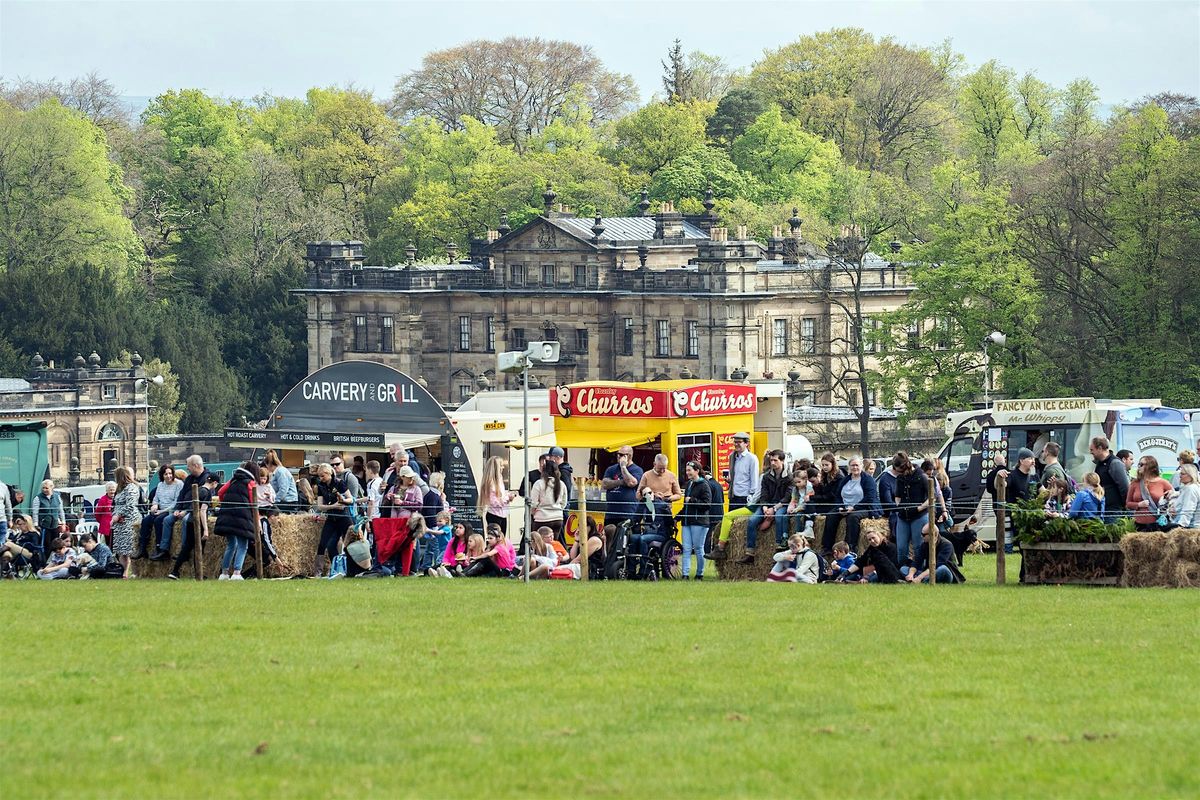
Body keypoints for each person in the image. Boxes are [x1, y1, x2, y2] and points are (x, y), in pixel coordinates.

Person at [630, 455, 682, 577]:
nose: (662, 471)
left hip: (663, 515)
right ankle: (631, 570)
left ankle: (644, 569)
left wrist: (666, 499)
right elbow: (638, 495)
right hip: (649, 514)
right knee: (633, 538)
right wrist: (651, 495)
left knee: (643, 539)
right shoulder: (646, 476)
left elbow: (678, 494)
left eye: (664, 468)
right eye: (660, 469)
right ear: (654, 464)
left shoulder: (671, 476)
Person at [736, 450, 791, 564]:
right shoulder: (766, 477)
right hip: (767, 504)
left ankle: (779, 549)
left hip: (781, 504)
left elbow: (787, 497)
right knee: (752, 521)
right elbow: (763, 494)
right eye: (771, 460)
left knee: (779, 517)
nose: (772, 463)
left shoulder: (789, 477)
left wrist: (774, 509)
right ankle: (750, 553)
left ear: (782, 461)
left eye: (775, 460)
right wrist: (765, 507)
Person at [820, 456, 881, 556]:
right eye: (852, 465)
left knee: (852, 517)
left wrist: (854, 508)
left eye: (857, 465)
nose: (855, 468)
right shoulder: (845, 480)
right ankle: (827, 547)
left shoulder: (868, 480)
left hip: (864, 507)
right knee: (831, 515)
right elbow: (838, 496)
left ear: (861, 466)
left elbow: (870, 498)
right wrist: (840, 506)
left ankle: (850, 547)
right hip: (846, 506)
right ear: (849, 467)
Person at [156, 456, 211, 561]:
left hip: (196, 510)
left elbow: (201, 500)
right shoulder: (189, 478)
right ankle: (164, 549)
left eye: (188, 466)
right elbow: (182, 495)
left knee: (186, 520)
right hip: (183, 508)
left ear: (195, 466)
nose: (187, 469)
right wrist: (177, 509)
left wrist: (186, 511)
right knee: (167, 520)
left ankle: (184, 551)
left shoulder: (206, 479)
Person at [169, 473, 218, 580]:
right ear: (214, 483)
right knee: (199, 549)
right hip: (199, 523)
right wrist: (205, 529)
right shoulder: (207, 493)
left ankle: (175, 571)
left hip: (190, 521)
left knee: (187, 547)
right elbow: (202, 511)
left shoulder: (198, 489)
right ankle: (198, 572)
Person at [213, 462, 259, 580]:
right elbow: (253, 503)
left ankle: (224, 573)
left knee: (231, 544)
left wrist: (229, 503)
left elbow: (220, 493)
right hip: (242, 517)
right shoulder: (250, 482)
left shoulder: (233, 480)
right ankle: (237, 573)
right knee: (243, 545)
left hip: (227, 515)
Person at [892, 452, 929, 568]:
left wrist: (919, 508)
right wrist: (899, 506)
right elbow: (897, 496)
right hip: (903, 516)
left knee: (919, 546)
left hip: (919, 515)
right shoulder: (900, 478)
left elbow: (931, 498)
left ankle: (919, 570)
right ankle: (903, 569)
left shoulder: (922, 477)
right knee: (901, 547)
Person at [313, 463, 352, 577]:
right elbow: (320, 506)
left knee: (349, 543)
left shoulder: (340, 483)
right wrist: (334, 506)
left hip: (343, 517)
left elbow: (350, 499)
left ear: (329, 473)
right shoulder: (321, 486)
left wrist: (343, 501)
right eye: (319, 476)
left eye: (322, 476)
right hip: (331, 518)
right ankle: (320, 571)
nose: (320, 478)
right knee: (324, 544)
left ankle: (351, 568)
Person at [678, 461, 712, 581]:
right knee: (686, 548)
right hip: (687, 521)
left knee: (698, 548)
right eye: (686, 470)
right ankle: (685, 574)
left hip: (700, 521)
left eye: (689, 470)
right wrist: (678, 517)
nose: (687, 473)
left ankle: (700, 573)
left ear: (697, 471)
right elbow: (686, 506)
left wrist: (692, 500)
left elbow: (707, 504)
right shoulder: (689, 484)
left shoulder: (704, 485)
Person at [1126, 455, 1174, 532]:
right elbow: (1128, 504)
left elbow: (1175, 499)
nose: (1139, 467)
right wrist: (1138, 505)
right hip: (1139, 524)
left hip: (1158, 524)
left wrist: (1170, 501)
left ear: (1151, 467)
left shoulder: (1163, 483)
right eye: (1139, 464)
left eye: (1141, 465)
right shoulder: (1135, 483)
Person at [1089, 436, 1130, 524]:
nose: (1090, 452)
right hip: (1103, 508)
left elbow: (1125, 487)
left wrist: (1125, 506)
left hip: (1113, 510)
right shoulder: (1099, 464)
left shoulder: (1115, 463)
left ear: (1100, 448)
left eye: (1092, 450)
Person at [109, 466, 141, 578]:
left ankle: (133, 572)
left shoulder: (131, 488)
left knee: (130, 548)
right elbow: (115, 505)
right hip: (119, 523)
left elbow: (131, 505)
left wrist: (119, 515)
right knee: (121, 549)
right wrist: (114, 516)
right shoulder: (120, 489)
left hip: (130, 521)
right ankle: (123, 572)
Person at [601, 446, 643, 529]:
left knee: (626, 539)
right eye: (618, 454)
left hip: (628, 513)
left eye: (621, 455)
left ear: (629, 456)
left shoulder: (637, 470)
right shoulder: (611, 469)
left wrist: (623, 467)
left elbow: (631, 483)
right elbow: (605, 484)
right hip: (611, 514)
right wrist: (621, 482)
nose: (618, 456)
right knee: (609, 537)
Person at [529, 461, 569, 539]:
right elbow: (564, 502)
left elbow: (533, 503)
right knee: (553, 543)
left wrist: (533, 513)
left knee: (539, 544)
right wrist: (558, 509)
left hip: (542, 517)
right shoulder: (561, 484)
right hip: (558, 517)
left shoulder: (539, 483)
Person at [478, 456, 517, 533]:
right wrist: (507, 498)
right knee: (494, 539)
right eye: (501, 466)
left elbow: (500, 496)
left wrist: (508, 495)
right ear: (495, 468)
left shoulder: (500, 479)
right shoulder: (490, 483)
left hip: (503, 514)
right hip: (494, 515)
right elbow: (495, 502)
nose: (503, 468)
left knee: (501, 540)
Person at [725, 433, 759, 511]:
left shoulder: (752, 458)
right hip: (733, 495)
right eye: (735, 442)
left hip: (745, 497)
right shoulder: (732, 456)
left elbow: (754, 479)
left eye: (739, 442)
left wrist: (752, 496)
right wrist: (729, 480)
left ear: (746, 443)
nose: (736, 444)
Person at [31, 479, 66, 554]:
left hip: (55, 525)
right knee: (46, 545)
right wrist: (36, 524)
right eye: (43, 488)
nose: (44, 490)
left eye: (46, 488)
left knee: (56, 544)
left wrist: (63, 522)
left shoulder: (57, 497)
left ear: (52, 487)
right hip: (44, 526)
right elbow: (35, 512)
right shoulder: (37, 498)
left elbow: (61, 511)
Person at [1166, 464, 1198, 530]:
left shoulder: (1190, 489)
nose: (1180, 476)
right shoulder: (1187, 488)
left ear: (1190, 475)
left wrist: (1179, 528)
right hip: (1185, 525)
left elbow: (1188, 511)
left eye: (1182, 474)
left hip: (1190, 528)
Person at [94, 481, 116, 548]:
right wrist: (103, 522)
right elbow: (98, 513)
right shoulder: (102, 500)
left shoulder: (118, 498)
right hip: (107, 526)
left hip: (117, 525)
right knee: (108, 544)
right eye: (110, 490)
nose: (112, 491)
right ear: (107, 491)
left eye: (113, 489)